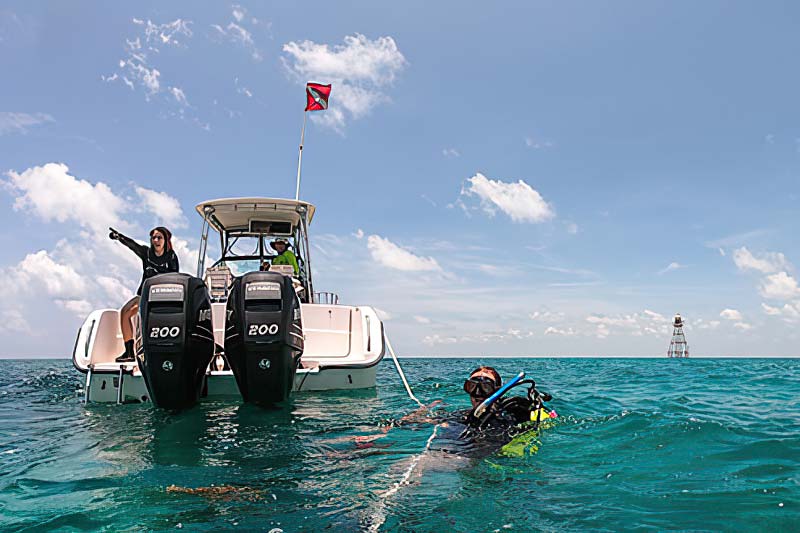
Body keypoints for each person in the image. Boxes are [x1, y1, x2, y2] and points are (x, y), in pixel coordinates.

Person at [355, 366, 555, 456]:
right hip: (454, 452)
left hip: (470, 457)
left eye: (484, 388)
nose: (477, 393)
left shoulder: (509, 413)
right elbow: (420, 422)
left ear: (497, 391)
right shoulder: (464, 415)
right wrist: (385, 429)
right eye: (472, 386)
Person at [109, 226, 179, 362]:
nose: (156, 240)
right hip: (144, 294)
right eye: (153, 238)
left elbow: (174, 278)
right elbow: (132, 245)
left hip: (161, 296)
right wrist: (119, 237)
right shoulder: (146, 253)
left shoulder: (171, 256)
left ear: (166, 240)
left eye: (159, 237)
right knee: (125, 312)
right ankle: (129, 352)